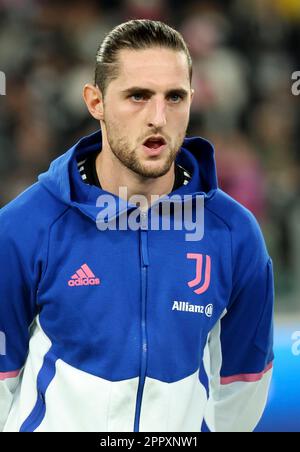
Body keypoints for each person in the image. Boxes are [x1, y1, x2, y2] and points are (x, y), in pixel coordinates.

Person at [0, 19, 274, 432]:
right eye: (138, 96)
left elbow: (243, 387)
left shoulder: (234, 234)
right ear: (96, 102)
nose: (158, 117)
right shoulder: (25, 226)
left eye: (175, 97)